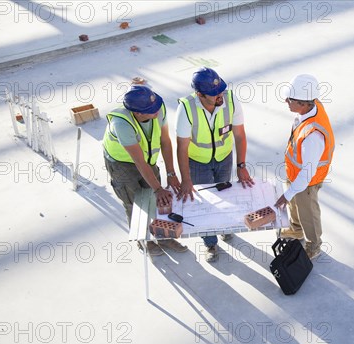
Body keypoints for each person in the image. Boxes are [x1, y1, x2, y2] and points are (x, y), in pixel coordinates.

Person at [175, 67, 254, 262]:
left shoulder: (231, 100)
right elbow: (181, 147)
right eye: (213, 93)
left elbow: (239, 134)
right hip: (197, 162)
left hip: (224, 158)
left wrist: (241, 165)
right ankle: (210, 243)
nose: (219, 95)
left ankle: (225, 228)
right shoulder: (186, 108)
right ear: (199, 94)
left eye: (220, 89)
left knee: (225, 195)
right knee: (205, 203)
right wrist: (186, 179)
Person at [103, 85, 188, 256]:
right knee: (134, 204)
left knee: (156, 201)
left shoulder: (158, 107)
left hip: (147, 159)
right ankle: (145, 241)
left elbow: (165, 141)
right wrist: (158, 188)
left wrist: (171, 173)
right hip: (122, 165)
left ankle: (163, 236)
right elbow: (138, 161)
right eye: (151, 110)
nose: (157, 110)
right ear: (138, 113)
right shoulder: (121, 124)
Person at [274, 74, 335, 260]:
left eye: (290, 99)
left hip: (307, 181)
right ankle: (296, 230)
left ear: (303, 104)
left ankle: (313, 244)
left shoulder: (313, 136)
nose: (286, 101)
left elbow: (307, 174)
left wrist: (287, 193)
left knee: (308, 211)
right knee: (295, 204)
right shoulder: (311, 104)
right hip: (295, 174)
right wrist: (290, 192)